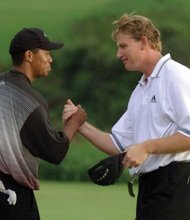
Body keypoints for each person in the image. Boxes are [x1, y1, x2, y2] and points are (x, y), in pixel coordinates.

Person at [63, 13, 190, 220]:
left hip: (176, 185)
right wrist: (80, 125)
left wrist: (146, 147)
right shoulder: (141, 89)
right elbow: (118, 143)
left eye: (123, 46)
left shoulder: (176, 76)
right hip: (150, 187)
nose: (118, 54)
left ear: (143, 42)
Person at [0, 27, 87, 220]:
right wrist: (74, 122)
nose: (50, 59)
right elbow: (54, 152)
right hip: (11, 196)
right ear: (29, 55)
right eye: (47, 53)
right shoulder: (28, 99)